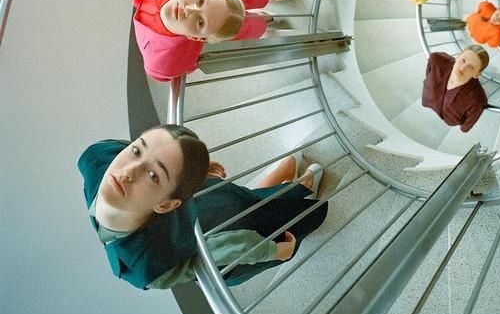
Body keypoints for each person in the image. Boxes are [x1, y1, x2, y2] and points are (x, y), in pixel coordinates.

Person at [78, 124, 327, 290]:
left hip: (209, 207)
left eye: (153, 173)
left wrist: (196, 174)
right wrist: (273, 252)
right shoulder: (147, 268)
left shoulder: (97, 158)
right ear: (166, 205)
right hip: (213, 228)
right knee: (252, 212)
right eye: (135, 151)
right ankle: (296, 187)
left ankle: (292, 185)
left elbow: (151, 150)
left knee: (241, 202)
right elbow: (224, 249)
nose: (128, 171)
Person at [133, 0, 291, 81]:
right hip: (216, 5)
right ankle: (266, 19)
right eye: (200, 22)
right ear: (197, 38)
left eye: (200, 1)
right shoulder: (161, 62)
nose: (190, 10)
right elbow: (175, 68)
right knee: (243, 26)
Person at [421, 45, 489, 133]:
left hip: (450, 120)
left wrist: (464, 128)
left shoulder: (478, 99)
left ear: (476, 74)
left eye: (471, 67)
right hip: (428, 101)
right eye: (463, 60)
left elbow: (467, 124)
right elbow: (428, 73)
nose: (463, 68)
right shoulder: (437, 60)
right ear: (458, 57)